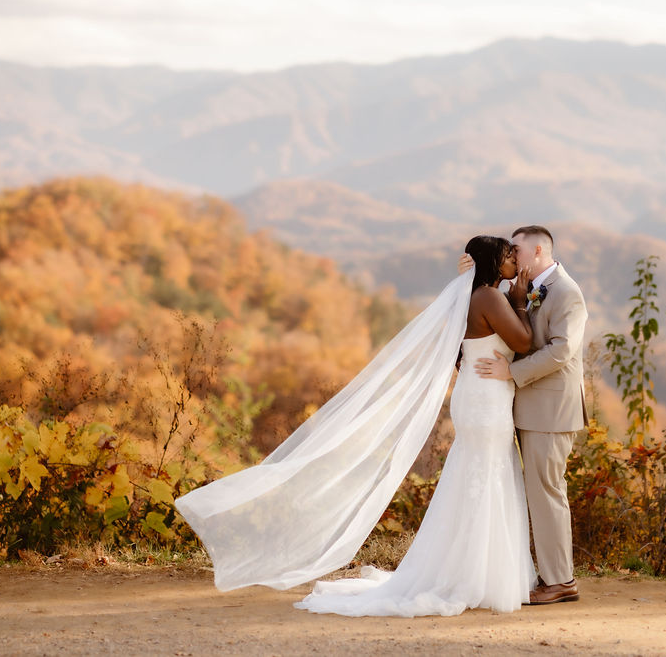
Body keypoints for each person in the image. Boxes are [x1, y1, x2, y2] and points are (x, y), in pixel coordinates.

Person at [175, 235, 540, 617]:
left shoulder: (469, 295)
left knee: (475, 476)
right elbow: (525, 341)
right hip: (487, 399)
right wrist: (520, 299)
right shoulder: (491, 298)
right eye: (509, 256)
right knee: (487, 474)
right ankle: (480, 575)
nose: (516, 262)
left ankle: (471, 571)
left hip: (476, 392)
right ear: (494, 262)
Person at [459, 225, 588, 605]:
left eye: (516, 250)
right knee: (532, 492)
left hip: (550, 410)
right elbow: (492, 315)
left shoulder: (567, 292)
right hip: (520, 407)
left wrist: (511, 373)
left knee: (547, 493)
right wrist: (472, 270)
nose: (512, 256)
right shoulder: (521, 288)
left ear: (536, 251)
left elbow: (562, 351)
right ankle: (544, 574)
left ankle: (560, 580)